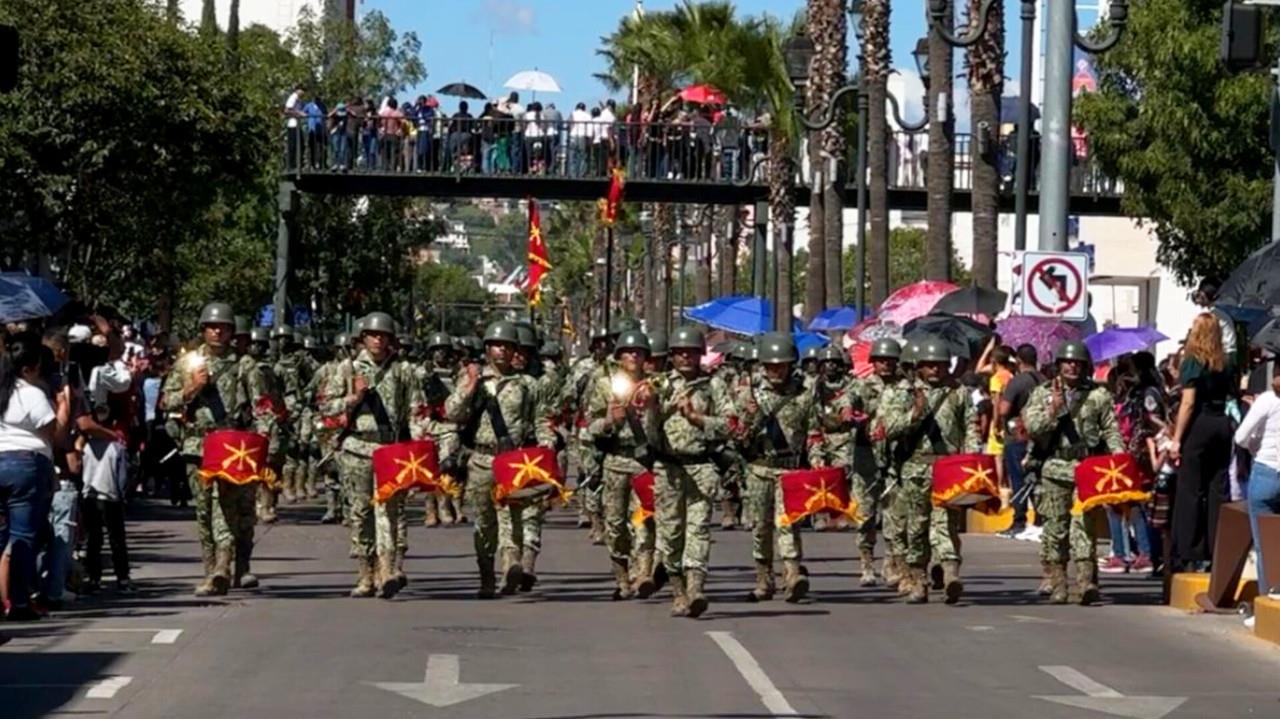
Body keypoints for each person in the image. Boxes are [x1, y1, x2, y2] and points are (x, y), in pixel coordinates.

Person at [320, 312, 427, 599]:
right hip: (356, 448)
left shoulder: (403, 371)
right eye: (372, 335)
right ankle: (365, 574)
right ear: (362, 338)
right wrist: (351, 399)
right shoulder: (347, 369)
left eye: (383, 336)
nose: (378, 340)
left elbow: (416, 410)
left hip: (390, 450)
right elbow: (326, 407)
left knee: (389, 513)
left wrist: (419, 447)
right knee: (361, 513)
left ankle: (387, 571)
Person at [161, 303, 262, 597]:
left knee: (232, 507)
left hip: (234, 445)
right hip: (198, 444)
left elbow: (262, 405)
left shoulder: (245, 365)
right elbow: (167, 402)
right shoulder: (188, 364)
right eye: (212, 326)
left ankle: (230, 565)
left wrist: (262, 441)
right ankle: (212, 571)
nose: (217, 331)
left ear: (232, 332)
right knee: (205, 510)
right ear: (203, 330)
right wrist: (192, 388)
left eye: (224, 327)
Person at [446, 321, 552, 598]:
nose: (502, 350)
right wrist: (469, 387)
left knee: (512, 515)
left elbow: (540, 420)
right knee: (484, 522)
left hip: (513, 460)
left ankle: (510, 565)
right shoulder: (475, 381)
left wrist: (546, 447)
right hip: (480, 459)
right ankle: (486, 576)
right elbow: (453, 413)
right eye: (496, 345)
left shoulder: (528, 385)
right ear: (487, 349)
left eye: (507, 345)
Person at [1022, 341, 1125, 604]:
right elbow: (1032, 427)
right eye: (1067, 362)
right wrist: (1053, 410)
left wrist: (1119, 459)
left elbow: (1111, 430)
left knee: (1084, 528)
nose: (1072, 366)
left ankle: (1086, 582)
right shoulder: (1042, 393)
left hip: (1086, 470)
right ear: (1058, 366)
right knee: (1055, 529)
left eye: (1077, 363)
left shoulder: (1098, 396)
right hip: (1053, 469)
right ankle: (1057, 583)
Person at [879, 340, 981, 604]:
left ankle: (950, 574)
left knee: (945, 524)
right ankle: (918, 580)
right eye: (930, 365)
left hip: (947, 468)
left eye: (940, 364)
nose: (935, 369)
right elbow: (887, 428)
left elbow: (970, 426)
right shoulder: (903, 393)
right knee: (916, 527)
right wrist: (914, 414)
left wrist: (970, 461)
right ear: (919, 367)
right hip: (914, 468)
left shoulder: (958, 393)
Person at [732, 332, 827, 603]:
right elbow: (739, 436)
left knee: (788, 523)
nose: (775, 371)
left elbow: (814, 433)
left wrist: (818, 462)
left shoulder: (804, 396)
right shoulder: (749, 396)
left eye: (781, 365)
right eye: (770, 366)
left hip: (790, 469)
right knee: (761, 526)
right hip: (759, 468)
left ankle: (792, 573)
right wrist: (750, 416)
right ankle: (763, 578)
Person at [653, 326, 730, 617]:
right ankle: (678, 590)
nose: (686, 357)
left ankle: (696, 587)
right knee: (671, 533)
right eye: (680, 352)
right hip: (669, 468)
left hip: (701, 465)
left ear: (700, 355)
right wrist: (654, 408)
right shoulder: (659, 385)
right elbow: (646, 428)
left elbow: (729, 424)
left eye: (691, 352)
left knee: (698, 529)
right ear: (671, 356)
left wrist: (697, 418)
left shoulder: (714, 386)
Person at [586, 329, 660, 600]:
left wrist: (653, 408)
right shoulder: (605, 386)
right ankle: (622, 578)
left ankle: (644, 574)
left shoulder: (655, 385)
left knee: (644, 521)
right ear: (618, 357)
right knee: (615, 525)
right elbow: (589, 426)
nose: (633, 356)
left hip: (644, 462)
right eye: (628, 352)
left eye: (638, 352)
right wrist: (608, 421)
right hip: (615, 462)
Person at [1, 333, 70, 620]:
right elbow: (55, 435)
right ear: (30, 367)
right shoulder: (31, 394)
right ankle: (18, 602)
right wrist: (65, 406)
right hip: (26, 465)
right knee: (23, 537)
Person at [1170, 313, 1236, 572]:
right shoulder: (1226, 363)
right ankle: (1215, 549)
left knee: (1191, 489)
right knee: (1216, 488)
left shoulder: (1193, 363)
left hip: (1200, 423)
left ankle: (1188, 550)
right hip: (1222, 423)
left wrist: (1177, 438)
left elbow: (1188, 403)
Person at [1235, 366, 1280, 626]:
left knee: (1265, 544)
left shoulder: (1267, 400)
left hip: (1266, 471)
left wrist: (1256, 446)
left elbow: (1241, 437)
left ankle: (1267, 603)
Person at [996, 344, 1043, 539]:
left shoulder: (1017, 382)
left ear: (1019, 361)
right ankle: (1040, 519)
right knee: (1036, 480)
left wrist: (998, 400)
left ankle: (1019, 521)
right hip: (1039, 436)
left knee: (1018, 479)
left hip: (1017, 436)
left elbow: (1004, 410)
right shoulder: (1044, 380)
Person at [421, 332, 462, 528]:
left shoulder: (458, 373)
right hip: (427, 426)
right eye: (436, 350)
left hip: (449, 425)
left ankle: (445, 506)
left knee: (447, 467)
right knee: (428, 470)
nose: (440, 354)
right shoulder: (421, 372)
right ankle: (430, 509)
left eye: (443, 350)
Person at [1192, 278, 1238, 359]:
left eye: (1202, 296)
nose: (1198, 299)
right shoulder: (1217, 311)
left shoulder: (1217, 314)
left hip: (1224, 354)